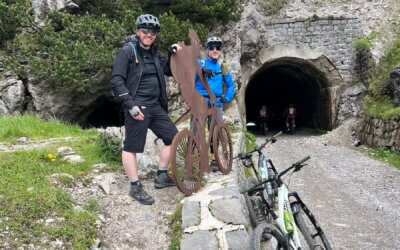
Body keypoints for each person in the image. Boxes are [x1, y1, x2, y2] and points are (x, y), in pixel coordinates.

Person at [111, 13, 180, 205]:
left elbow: (169, 70)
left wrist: (174, 53)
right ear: (137, 31)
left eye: (153, 31)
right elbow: (116, 79)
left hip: (156, 106)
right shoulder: (128, 51)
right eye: (145, 30)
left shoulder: (155, 53)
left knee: (173, 138)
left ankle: (161, 175)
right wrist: (130, 105)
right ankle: (135, 187)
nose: (149, 34)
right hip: (137, 106)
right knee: (131, 147)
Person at [194, 36, 235, 171]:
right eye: (212, 47)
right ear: (207, 50)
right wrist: (201, 71)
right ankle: (195, 158)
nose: (215, 50)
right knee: (196, 129)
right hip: (201, 99)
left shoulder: (222, 68)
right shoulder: (200, 63)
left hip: (217, 101)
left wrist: (227, 98)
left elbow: (230, 86)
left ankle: (213, 159)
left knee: (215, 131)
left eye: (218, 47)